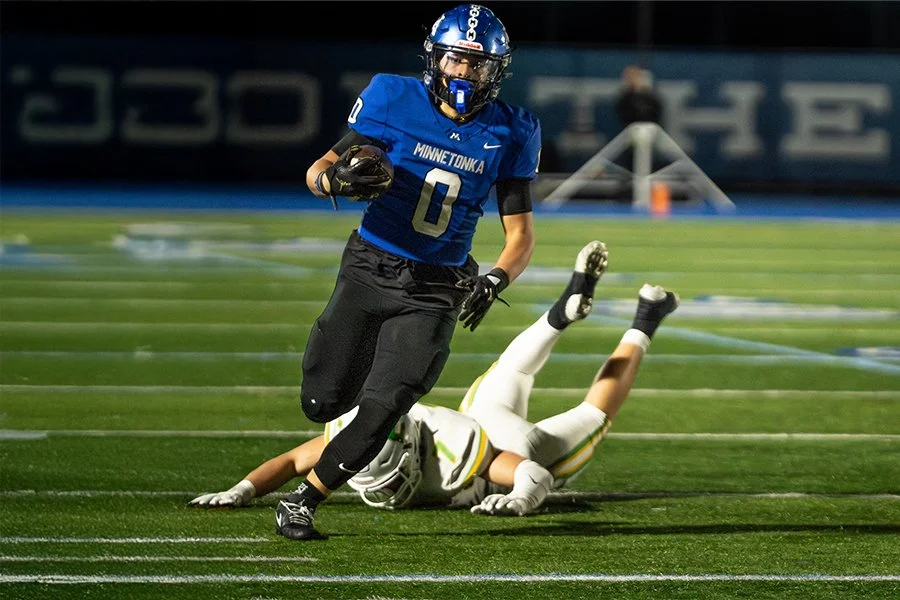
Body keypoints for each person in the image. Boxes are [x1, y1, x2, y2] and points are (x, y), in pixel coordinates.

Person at [281, 4, 542, 540]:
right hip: (369, 265)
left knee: (387, 401)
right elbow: (318, 170)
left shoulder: (512, 130)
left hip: (437, 285)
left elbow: (521, 236)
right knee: (322, 401)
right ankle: (357, 428)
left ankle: (303, 501)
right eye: (456, 59)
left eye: (477, 64)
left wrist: (495, 278)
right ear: (434, 58)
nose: (465, 72)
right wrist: (334, 184)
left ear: (497, 70)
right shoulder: (392, 98)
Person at [190, 241, 680, 521]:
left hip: (512, 444)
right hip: (477, 414)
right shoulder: (369, 431)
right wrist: (241, 490)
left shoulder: (452, 459)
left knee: (593, 413)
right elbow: (291, 462)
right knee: (512, 369)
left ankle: (645, 319)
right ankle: (563, 315)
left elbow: (535, 475)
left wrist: (520, 501)